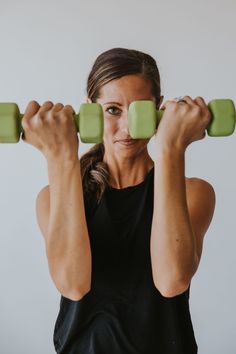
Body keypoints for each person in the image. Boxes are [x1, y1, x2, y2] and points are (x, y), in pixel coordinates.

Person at [22, 48, 216, 354]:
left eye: (140, 110)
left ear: (159, 111)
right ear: (89, 110)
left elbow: (171, 281)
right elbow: (73, 285)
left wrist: (172, 148)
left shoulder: (194, 192)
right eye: (113, 109)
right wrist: (60, 156)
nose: (126, 128)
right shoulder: (52, 198)